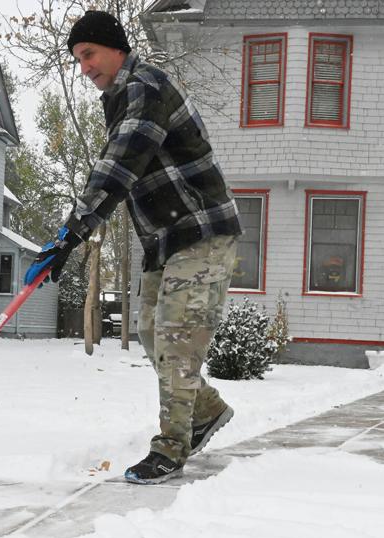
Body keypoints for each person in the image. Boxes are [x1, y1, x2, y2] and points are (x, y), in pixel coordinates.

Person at [25, 10, 243, 485]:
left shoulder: (145, 86)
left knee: (175, 340)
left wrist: (74, 231)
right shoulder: (120, 100)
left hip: (202, 231)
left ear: (116, 47)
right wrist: (71, 233)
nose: (83, 67)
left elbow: (119, 166)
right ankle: (205, 412)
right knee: (150, 335)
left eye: (89, 54)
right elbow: (114, 166)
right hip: (165, 239)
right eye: (78, 59)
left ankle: (171, 448)